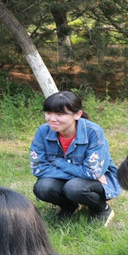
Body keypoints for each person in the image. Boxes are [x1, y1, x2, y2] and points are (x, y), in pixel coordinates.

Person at [29, 91, 120, 225]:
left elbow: (92, 172)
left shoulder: (93, 132)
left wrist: (58, 162)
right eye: (48, 113)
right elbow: (38, 168)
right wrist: (77, 173)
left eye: (59, 114)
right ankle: (69, 206)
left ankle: (101, 209)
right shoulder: (42, 131)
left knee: (74, 187)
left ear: (77, 114)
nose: (52, 119)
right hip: (78, 178)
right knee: (42, 187)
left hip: (95, 183)